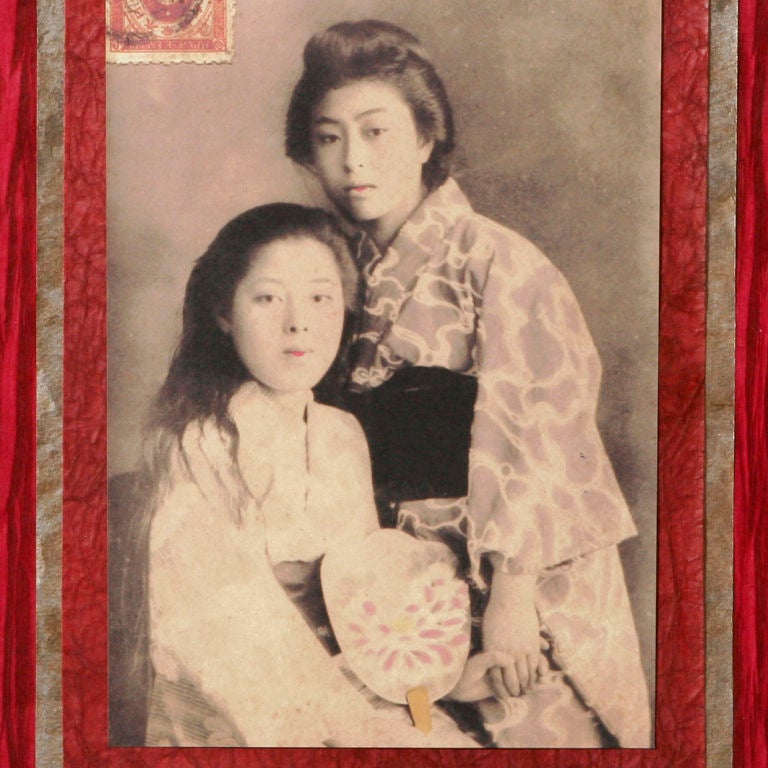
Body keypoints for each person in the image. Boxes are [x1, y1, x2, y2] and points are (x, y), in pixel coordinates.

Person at [285, 20, 652, 748]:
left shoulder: (498, 263)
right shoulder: (328, 271)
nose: (354, 159)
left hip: (508, 563)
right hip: (384, 578)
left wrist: (513, 591)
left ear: (426, 138)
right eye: (330, 138)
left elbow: (546, 424)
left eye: (377, 131)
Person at [135, 203, 478, 747]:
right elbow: (217, 635)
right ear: (224, 313)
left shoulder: (341, 435)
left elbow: (374, 620)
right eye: (268, 298)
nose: (298, 322)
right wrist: (350, 727)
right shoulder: (198, 442)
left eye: (321, 298)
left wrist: (433, 695)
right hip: (248, 705)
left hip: (348, 692)